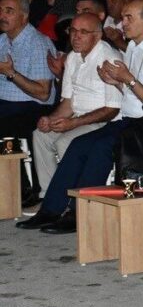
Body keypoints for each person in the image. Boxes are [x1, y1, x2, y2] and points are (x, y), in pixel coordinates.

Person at [23, 0, 143, 233]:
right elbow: (130, 92)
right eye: (123, 17)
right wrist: (117, 82)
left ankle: (79, 213)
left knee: (98, 149)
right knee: (78, 144)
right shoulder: (134, 47)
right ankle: (51, 209)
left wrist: (127, 80)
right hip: (128, 120)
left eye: (128, 18)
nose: (122, 23)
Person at [26, 14, 122, 208]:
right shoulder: (72, 57)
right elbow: (69, 102)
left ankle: (71, 203)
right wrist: (51, 119)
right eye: (73, 31)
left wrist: (73, 123)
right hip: (78, 117)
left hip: (104, 122)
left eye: (83, 32)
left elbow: (112, 109)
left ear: (97, 36)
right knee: (40, 135)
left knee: (65, 142)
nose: (76, 37)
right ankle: (50, 197)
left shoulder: (109, 58)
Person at [0, 0, 58, 162]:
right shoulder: (2, 40)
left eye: (9, 11)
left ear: (24, 17)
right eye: (0, 10)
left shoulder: (38, 43)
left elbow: (43, 93)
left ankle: (15, 183)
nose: (2, 16)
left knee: (5, 125)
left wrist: (11, 73)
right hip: (6, 104)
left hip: (30, 107)